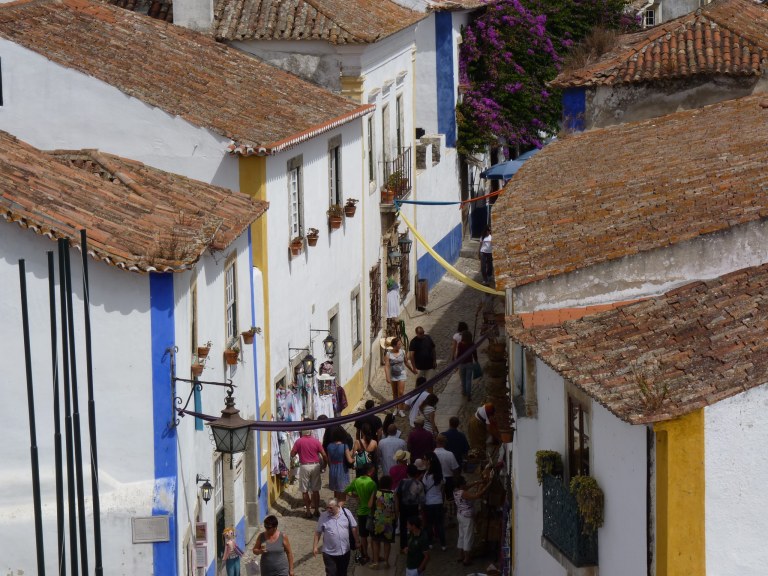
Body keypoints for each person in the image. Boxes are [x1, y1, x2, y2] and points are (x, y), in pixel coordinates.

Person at [314, 498, 360, 576]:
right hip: (329, 553)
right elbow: (318, 532)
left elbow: (353, 527)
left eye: (331, 508)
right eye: (327, 507)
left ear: (337, 506)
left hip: (344, 552)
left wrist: (357, 541)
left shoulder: (346, 513)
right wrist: (315, 546)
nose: (328, 509)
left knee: (342, 573)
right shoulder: (323, 516)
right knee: (331, 573)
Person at [454, 475, 492, 566]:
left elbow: (468, 486)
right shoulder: (463, 493)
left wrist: (478, 482)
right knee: (468, 536)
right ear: (461, 484)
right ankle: (467, 559)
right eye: (464, 483)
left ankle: (460, 556)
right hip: (467, 517)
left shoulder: (456, 491)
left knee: (462, 535)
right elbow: (476, 496)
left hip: (460, 515)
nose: (466, 484)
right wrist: (487, 486)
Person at [344, 462, 378, 563]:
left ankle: (365, 555)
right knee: (373, 537)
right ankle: (374, 556)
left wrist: (355, 496)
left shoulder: (356, 481)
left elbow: (346, 490)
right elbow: (372, 502)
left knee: (363, 536)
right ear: (371, 471)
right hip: (371, 513)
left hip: (361, 512)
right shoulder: (372, 484)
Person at [290, 429, 328, 518]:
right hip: (315, 466)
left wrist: (298, 451)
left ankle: (307, 511)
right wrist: (325, 465)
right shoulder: (316, 441)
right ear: (310, 432)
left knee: (304, 490)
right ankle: (316, 510)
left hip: (304, 466)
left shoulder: (298, 441)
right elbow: (324, 455)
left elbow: (292, 454)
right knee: (316, 490)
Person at [395, 463, 425, 552]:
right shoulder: (419, 484)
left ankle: (403, 547)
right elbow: (422, 499)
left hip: (403, 508)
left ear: (407, 473)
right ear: (416, 474)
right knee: (414, 526)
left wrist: (397, 508)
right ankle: (414, 545)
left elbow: (396, 494)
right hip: (414, 508)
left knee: (403, 528)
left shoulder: (402, 482)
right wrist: (421, 511)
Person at [368, 474, 396, 570]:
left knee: (376, 541)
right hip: (389, 521)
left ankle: (376, 562)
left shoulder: (376, 492)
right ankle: (386, 562)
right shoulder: (393, 494)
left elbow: (370, 505)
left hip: (377, 521)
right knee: (387, 542)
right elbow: (397, 510)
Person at [385, 337, 416, 417]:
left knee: (401, 393)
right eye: (399, 344)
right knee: (395, 392)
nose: (400, 345)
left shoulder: (402, 352)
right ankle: (396, 407)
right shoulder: (388, 354)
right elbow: (387, 366)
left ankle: (401, 409)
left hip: (401, 374)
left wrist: (412, 370)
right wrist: (387, 377)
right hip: (393, 375)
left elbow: (406, 362)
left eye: (400, 344)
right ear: (394, 346)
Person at [422, 451, 446, 550]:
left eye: (425, 459)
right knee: (439, 524)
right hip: (439, 502)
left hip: (429, 502)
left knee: (429, 524)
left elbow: (423, 488)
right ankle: (443, 544)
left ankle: (430, 542)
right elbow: (442, 489)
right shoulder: (440, 475)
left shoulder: (427, 475)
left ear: (429, 461)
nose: (423, 461)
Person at [433, 434, 460, 519]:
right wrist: (456, 479)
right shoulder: (449, 454)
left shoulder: (433, 454)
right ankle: (451, 517)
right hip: (448, 479)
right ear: (444, 443)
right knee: (450, 499)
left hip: (437, 478)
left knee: (439, 498)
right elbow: (455, 468)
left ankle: (439, 516)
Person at [327, 427, 354, 503]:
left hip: (332, 469)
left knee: (336, 492)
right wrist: (354, 459)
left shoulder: (329, 446)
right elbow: (349, 460)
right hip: (342, 469)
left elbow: (329, 461)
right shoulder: (344, 446)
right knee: (343, 494)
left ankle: (335, 507)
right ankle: (338, 510)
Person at [457, 330, 478, 401]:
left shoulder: (460, 344)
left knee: (463, 379)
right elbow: (474, 353)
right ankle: (469, 394)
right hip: (469, 363)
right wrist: (476, 360)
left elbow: (458, 355)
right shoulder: (472, 344)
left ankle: (464, 391)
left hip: (462, 364)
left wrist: (456, 362)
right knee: (468, 379)